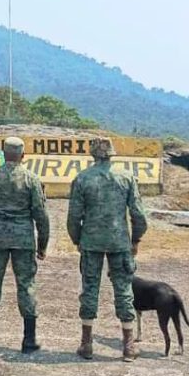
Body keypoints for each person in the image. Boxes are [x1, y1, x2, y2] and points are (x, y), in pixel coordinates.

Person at [66, 138, 148, 361]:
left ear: (93, 154)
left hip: (91, 242)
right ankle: (129, 346)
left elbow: (73, 216)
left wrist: (77, 239)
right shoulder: (126, 177)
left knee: (90, 288)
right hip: (119, 241)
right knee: (124, 290)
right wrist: (136, 240)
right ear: (112, 154)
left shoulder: (82, 179)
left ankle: (87, 344)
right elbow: (139, 215)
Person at [0, 137, 49, 353]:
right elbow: (41, 215)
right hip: (23, 239)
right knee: (26, 285)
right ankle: (29, 340)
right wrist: (42, 244)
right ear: (23, 156)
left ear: (4, 155)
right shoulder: (32, 179)